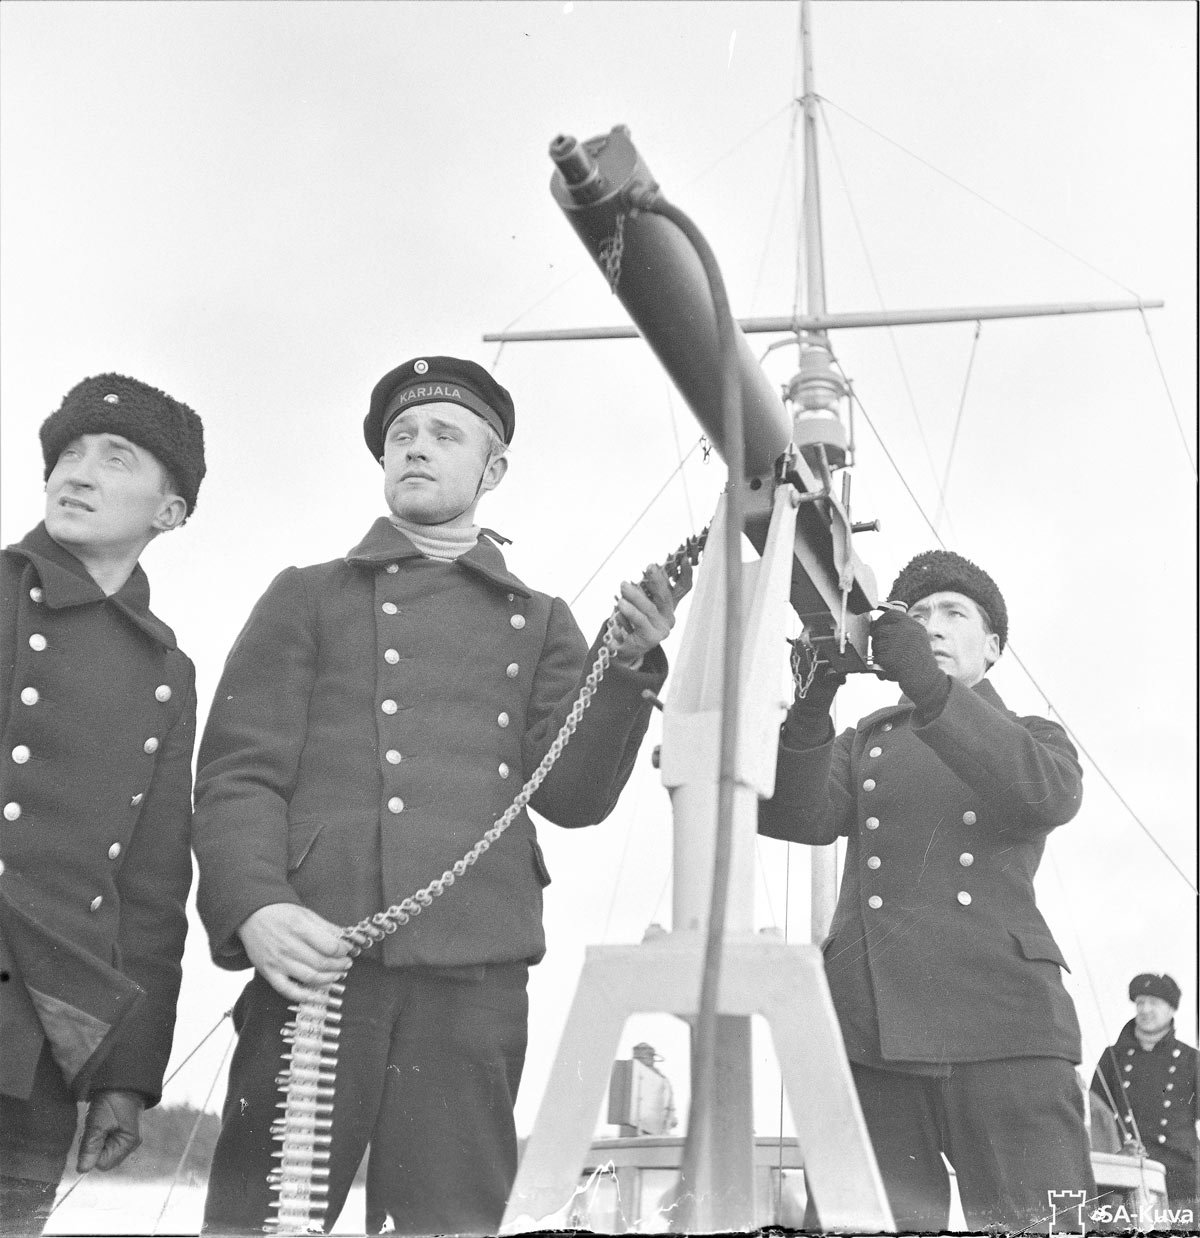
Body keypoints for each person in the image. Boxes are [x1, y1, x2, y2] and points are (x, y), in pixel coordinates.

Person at [192, 356, 676, 1235]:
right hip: (317, 963)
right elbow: (238, 775)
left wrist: (627, 669)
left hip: (473, 981)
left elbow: (571, 798)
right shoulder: (308, 596)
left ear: (492, 472)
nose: (415, 450)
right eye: (401, 437)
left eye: (444, 435)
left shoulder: (541, 622)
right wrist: (255, 905)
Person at [759, 549, 1094, 1234]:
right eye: (917, 616)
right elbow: (795, 816)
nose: (933, 626)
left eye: (953, 613)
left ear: (993, 647)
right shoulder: (867, 741)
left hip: (1008, 1034)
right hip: (874, 1038)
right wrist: (813, 703)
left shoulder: (1034, 738)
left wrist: (929, 688)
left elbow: (1046, 792)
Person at [0, 374, 204, 1234]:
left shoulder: (166, 673)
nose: (75, 474)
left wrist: (125, 1075)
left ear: (170, 512)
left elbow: (152, 891)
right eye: (67, 454)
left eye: (114, 458)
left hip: (42, 1046)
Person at [1091, 974, 1199, 1222]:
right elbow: (1097, 1115)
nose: (1145, 1010)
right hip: (1124, 1176)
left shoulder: (1191, 1060)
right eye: (1140, 1002)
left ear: (1171, 1009)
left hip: (1180, 1180)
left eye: (1153, 1003)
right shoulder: (1113, 1057)